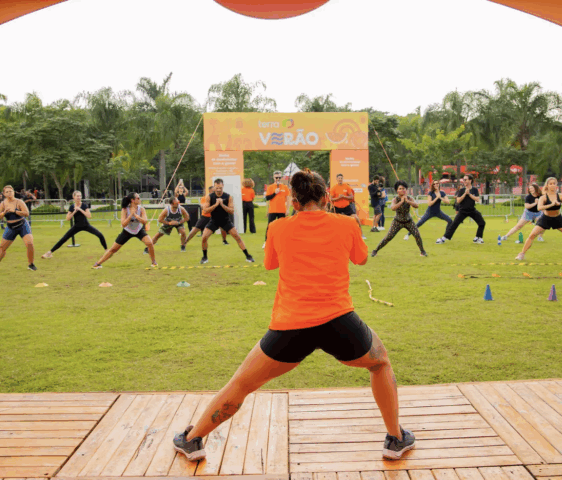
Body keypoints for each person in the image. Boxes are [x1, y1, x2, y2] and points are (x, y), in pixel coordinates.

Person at [172, 169, 415, 462]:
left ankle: (192, 440)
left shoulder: (278, 227)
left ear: (295, 201)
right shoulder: (346, 223)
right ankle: (395, 438)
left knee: (242, 384)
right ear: (326, 198)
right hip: (339, 322)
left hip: (290, 327)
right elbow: (361, 258)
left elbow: (270, 264)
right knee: (380, 363)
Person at [515, 177, 562, 261]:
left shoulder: (561, 196)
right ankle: (521, 254)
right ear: (547, 185)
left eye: (554, 183)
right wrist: (551, 205)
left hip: (558, 219)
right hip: (546, 219)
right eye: (550, 184)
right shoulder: (543, 197)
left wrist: (559, 203)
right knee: (532, 235)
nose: (552, 185)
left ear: (556, 185)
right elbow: (539, 208)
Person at [92, 192, 157, 269]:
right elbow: (123, 224)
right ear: (132, 200)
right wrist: (130, 215)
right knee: (113, 249)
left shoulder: (141, 209)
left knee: (150, 243)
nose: (140, 199)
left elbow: (145, 221)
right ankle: (97, 264)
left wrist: (136, 215)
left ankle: (154, 262)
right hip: (127, 231)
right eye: (138, 198)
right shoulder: (125, 209)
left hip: (139, 230)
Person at [200, 179, 254, 264]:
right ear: (214, 187)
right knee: (204, 237)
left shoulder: (228, 196)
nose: (218, 189)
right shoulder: (210, 196)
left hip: (225, 220)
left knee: (237, 237)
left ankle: (248, 256)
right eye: (217, 188)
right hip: (214, 221)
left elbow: (231, 211)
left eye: (220, 188)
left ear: (223, 186)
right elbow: (205, 210)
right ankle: (204, 257)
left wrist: (222, 204)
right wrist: (216, 204)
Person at [0, 185, 37, 271]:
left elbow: (26, 213)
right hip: (11, 227)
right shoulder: (3, 203)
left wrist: (15, 211)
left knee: (29, 243)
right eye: (7, 192)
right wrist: (4, 213)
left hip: (22, 225)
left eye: (11, 191)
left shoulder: (19, 202)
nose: (9, 193)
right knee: (2, 247)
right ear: (4, 194)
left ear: (14, 192)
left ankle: (31, 264)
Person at [41, 191, 107, 259]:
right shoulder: (72, 207)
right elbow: (67, 218)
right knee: (64, 239)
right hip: (76, 226)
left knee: (100, 235)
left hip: (86, 225)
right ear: (74, 197)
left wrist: (80, 209)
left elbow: (89, 216)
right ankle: (49, 253)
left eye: (80, 196)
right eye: (77, 196)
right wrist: (74, 211)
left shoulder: (84, 205)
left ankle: (106, 251)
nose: (79, 197)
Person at [372, 180, 427, 257]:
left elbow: (416, 205)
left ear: (406, 189)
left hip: (408, 221)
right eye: (400, 189)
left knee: (417, 235)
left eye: (403, 188)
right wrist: (401, 202)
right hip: (397, 221)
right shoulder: (395, 199)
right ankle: (375, 251)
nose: (402, 190)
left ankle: (422, 252)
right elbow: (393, 208)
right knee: (389, 237)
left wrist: (408, 201)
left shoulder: (409, 198)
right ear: (397, 190)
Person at [436, 174, 486, 244]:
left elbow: (477, 199)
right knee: (454, 224)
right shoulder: (462, 190)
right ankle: (444, 238)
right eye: (463, 180)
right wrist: (465, 193)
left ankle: (478, 237)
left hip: (472, 210)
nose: (464, 181)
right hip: (463, 211)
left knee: (482, 223)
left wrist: (469, 194)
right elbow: (458, 200)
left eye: (465, 180)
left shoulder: (474, 190)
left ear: (470, 180)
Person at [330, 173, 364, 238]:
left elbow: (351, 197)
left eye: (341, 178)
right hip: (337, 207)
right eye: (339, 178)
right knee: (334, 222)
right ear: (337, 179)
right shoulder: (334, 188)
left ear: (343, 179)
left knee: (356, 218)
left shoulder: (346, 186)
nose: (340, 179)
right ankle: (334, 236)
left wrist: (344, 196)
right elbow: (331, 199)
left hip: (346, 207)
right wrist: (338, 198)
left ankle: (361, 234)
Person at [263, 171, 290, 248]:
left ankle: (282, 242)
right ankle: (266, 242)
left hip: (282, 210)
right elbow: (267, 198)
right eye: (276, 177)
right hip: (273, 210)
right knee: (270, 226)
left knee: (282, 227)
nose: (278, 179)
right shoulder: (270, 187)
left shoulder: (285, 187)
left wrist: (287, 209)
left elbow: (288, 199)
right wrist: (275, 193)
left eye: (279, 177)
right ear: (273, 178)